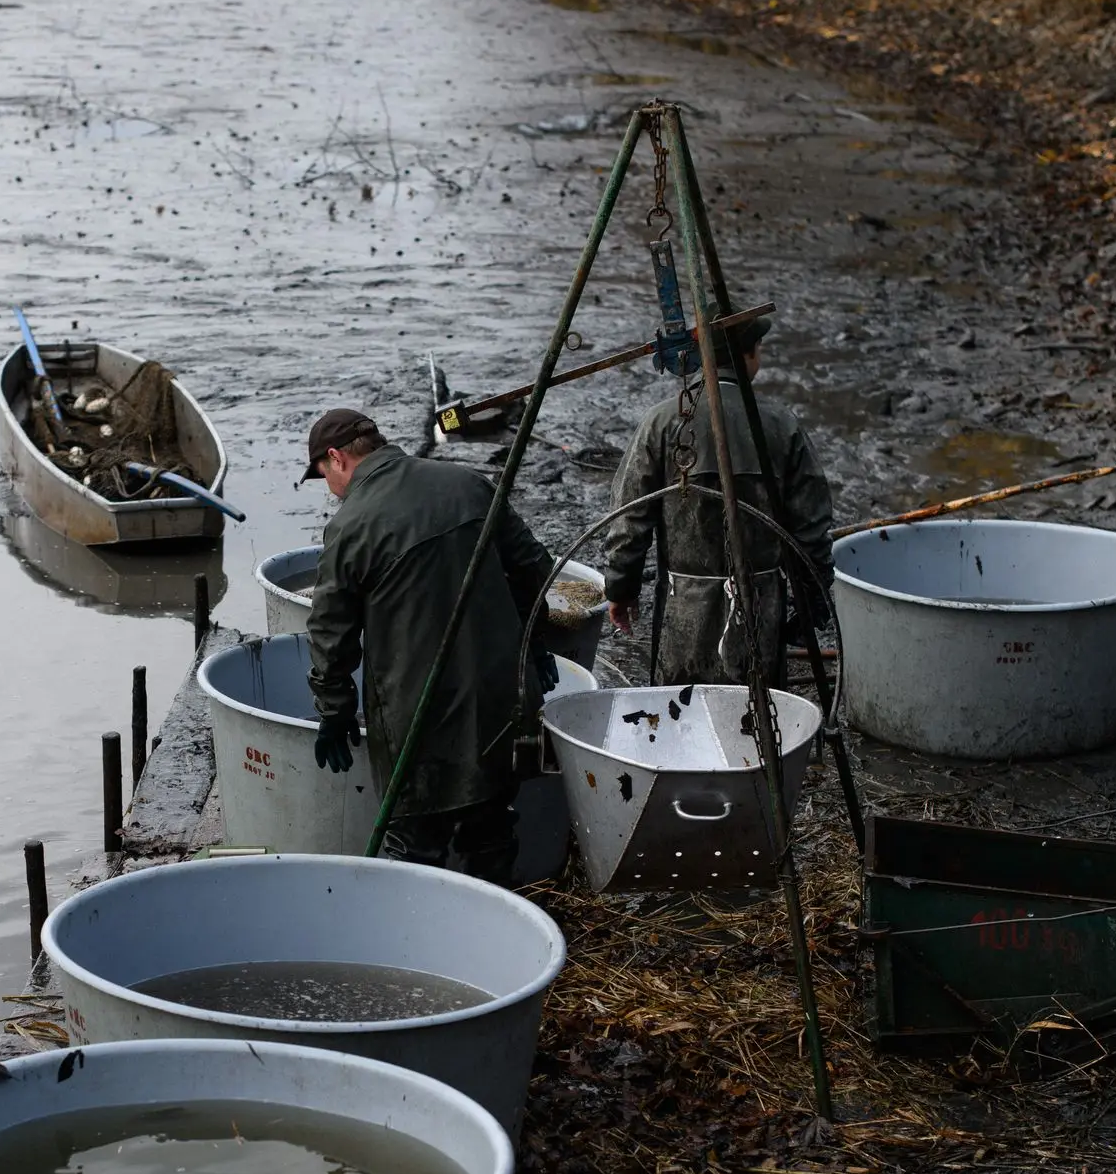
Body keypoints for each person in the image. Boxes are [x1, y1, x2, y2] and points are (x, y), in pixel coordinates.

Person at [302, 408, 556, 883]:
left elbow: (331, 635)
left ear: (335, 458)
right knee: (492, 825)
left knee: (414, 844)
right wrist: (534, 647)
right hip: (500, 697)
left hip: (417, 715)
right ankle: (501, 936)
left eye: (322, 476)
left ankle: (419, 946)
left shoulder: (351, 524)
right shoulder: (467, 482)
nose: (330, 490)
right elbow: (534, 569)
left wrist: (333, 713)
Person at [604, 317, 833, 685]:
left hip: (684, 605)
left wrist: (620, 589)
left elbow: (629, 521)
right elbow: (812, 528)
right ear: (748, 354)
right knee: (759, 714)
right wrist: (813, 602)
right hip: (761, 603)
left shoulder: (661, 423)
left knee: (679, 708)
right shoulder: (781, 425)